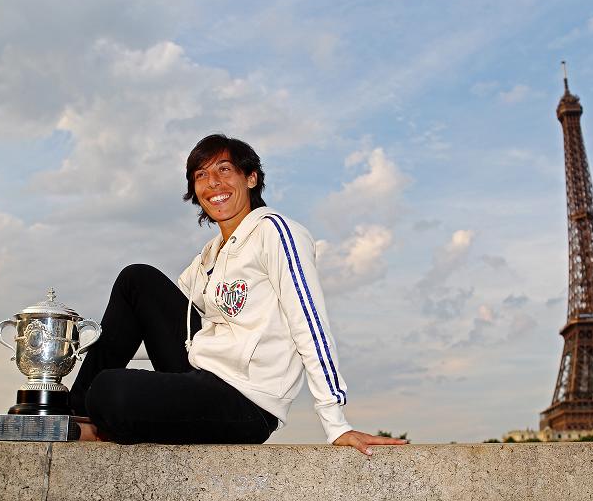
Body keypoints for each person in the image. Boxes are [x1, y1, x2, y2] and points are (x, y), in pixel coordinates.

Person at [69, 133, 406, 455]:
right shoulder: (209, 255)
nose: (213, 183)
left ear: (251, 179)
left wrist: (335, 422)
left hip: (247, 401)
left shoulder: (275, 232)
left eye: (224, 170)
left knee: (111, 390)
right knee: (137, 279)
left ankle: (99, 417)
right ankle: (70, 414)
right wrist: (83, 351)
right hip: (201, 377)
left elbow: (310, 324)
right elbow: (153, 325)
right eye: (201, 174)